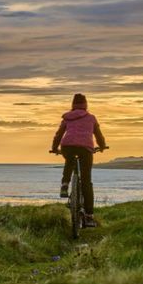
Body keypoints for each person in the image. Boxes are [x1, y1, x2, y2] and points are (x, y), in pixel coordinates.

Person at [50, 93, 107, 227]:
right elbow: (98, 135)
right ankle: (89, 217)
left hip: (67, 146)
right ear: (85, 104)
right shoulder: (91, 118)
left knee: (69, 161)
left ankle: (65, 184)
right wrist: (102, 146)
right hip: (85, 149)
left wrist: (54, 148)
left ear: (73, 105)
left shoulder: (67, 118)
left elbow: (58, 134)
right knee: (86, 181)